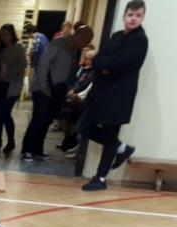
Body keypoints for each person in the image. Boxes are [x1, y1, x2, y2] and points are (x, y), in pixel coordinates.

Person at [81, 0, 148, 191]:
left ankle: (100, 178)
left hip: (119, 96)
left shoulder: (139, 40)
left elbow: (117, 63)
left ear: (142, 17)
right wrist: (103, 64)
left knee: (110, 134)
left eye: (138, 15)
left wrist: (104, 64)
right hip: (101, 92)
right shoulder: (116, 36)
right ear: (124, 16)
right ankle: (122, 148)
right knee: (84, 125)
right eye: (130, 15)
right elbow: (100, 60)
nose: (133, 19)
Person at [20, 25, 94, 163]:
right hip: (44, 88)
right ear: (79, 36)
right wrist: (44, 87)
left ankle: (37, 150)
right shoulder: (59, 43)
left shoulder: (74, 49)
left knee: (46, 120)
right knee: (39, 120)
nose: (85, 45)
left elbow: (69, 72)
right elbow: (44, 64)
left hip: (57, 90)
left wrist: (67, 89)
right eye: (85, 41)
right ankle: (27, 150)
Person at [0, 24, 26, 155]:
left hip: (11, 85)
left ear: (12, 34)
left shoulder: (18, 47)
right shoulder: (0, 48)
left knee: (5, 113)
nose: (4, 37)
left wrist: (7, 73)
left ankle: (11, 141)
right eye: (2, 35)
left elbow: (22, 65)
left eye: (6, 34)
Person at [59, 47, 96, 155]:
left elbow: (86, 85)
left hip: (81, 100)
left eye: (89, 59)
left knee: (75, 122)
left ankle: (72, 143)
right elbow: (75, 80)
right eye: (85, 58)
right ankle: (67, 140)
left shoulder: (93, 72)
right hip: (73, 95)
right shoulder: (81, 68)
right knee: (64, 117)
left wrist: (76, 93)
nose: (86, 60)